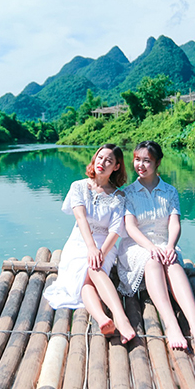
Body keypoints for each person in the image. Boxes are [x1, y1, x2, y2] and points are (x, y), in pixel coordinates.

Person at [116, 141, 195, 352]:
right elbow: (131, 227)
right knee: (153, 262)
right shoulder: (128, 193)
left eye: (146, 161)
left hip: (164, 242)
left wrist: (170, 245)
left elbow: (174, 223)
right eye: (137, 159)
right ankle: (171, 324)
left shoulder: (170, 192)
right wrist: (151, 247)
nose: (140, 165)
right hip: (137, 246)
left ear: (157, 162)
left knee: (174, 264)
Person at [43, 144, 136, 344]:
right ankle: (105, 319)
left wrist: (100, 251)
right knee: (89, 271)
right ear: (94, 159)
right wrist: (91, 248)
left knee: (93, 270)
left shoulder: (119, 196)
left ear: (117, 167)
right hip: (80, 241)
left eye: (109, 160)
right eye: (100, 157)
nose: (102, 163)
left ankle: (119, 318)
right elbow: (81, 219)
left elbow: (116, 230)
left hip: (106, 244)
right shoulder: (78, 186)